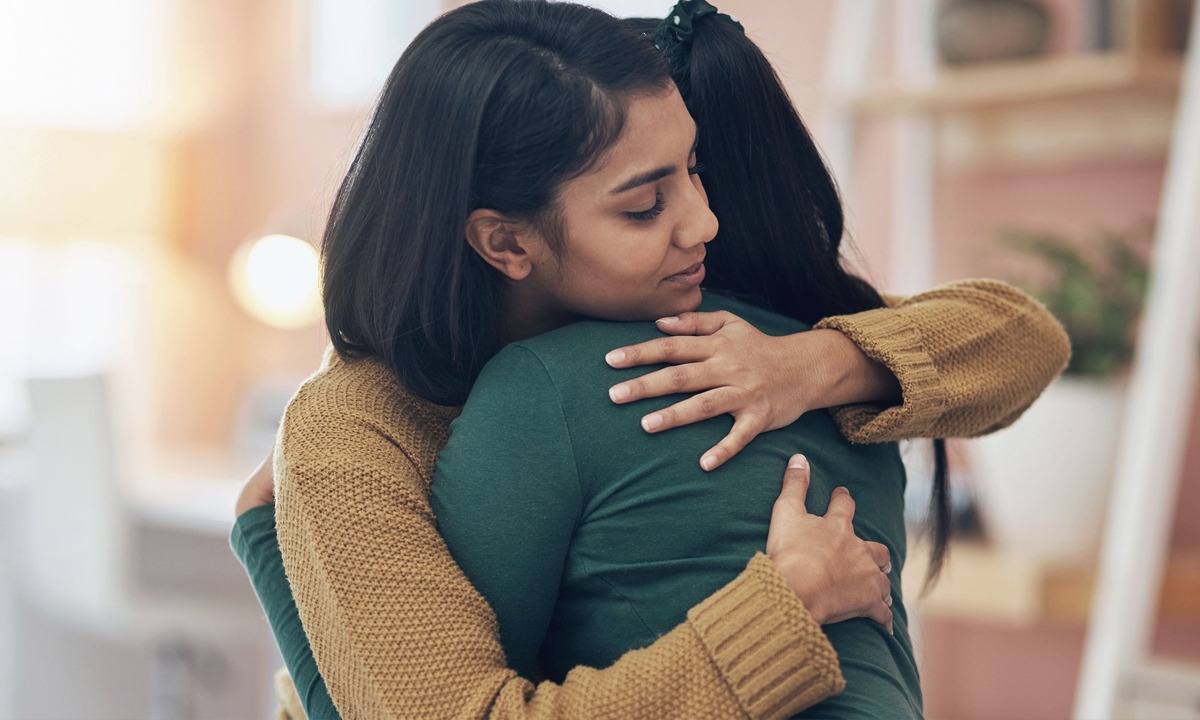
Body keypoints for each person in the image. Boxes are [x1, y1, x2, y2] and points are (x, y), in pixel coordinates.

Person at [230, 1, 1069, 718]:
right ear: (504, 242)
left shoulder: (707, 334)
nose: (702, 222)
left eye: (694, 170)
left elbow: (1023, 339)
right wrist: (784, 608)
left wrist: (808, 366)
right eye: (643, 205)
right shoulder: (356, 431)